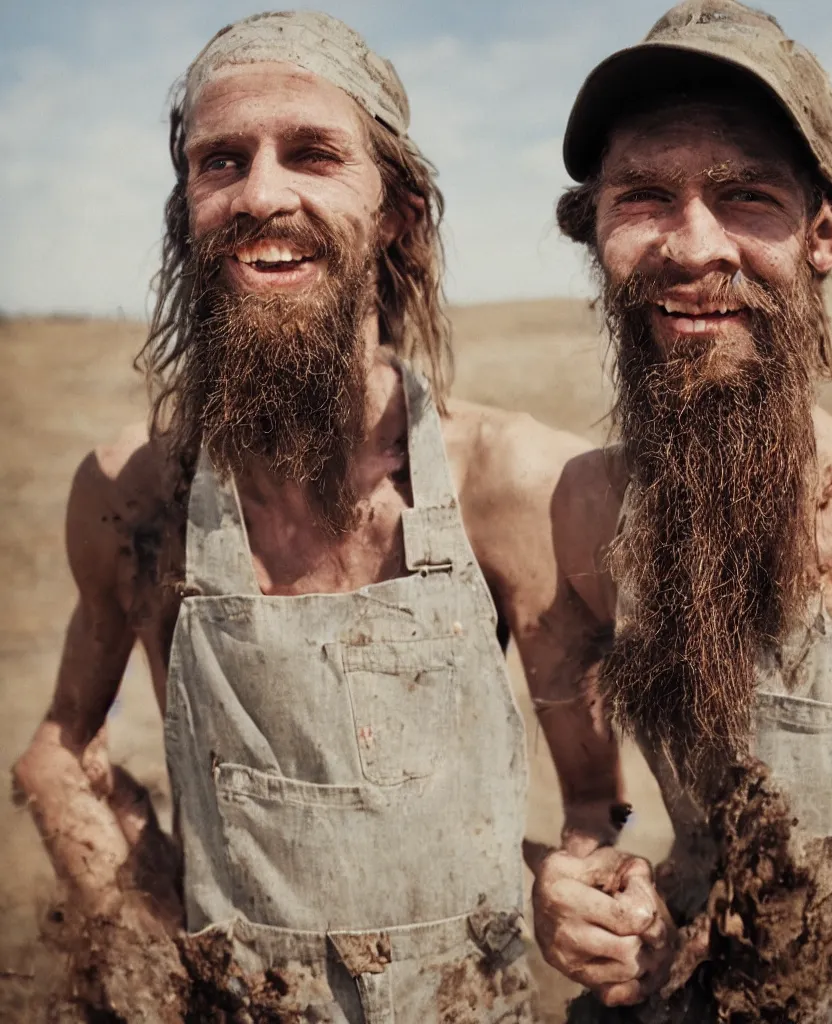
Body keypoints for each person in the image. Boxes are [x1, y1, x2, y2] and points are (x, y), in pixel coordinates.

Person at [12, 12, 625, 1021]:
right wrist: (133, 929)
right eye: (221, 161)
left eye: (311, 153)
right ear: (188, 213)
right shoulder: (137, 492)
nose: (260, 193)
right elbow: (57, 751)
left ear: (397, 214)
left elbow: (598, 805)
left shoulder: (507, 483)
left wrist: (574, 881)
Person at [530, 1, 832, 1020]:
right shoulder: (588, 507)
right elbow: (595, 805)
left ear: (829, 231)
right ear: (596, 232)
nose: (691, 244)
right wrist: (580, 879)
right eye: (644, 197)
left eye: (747, 196)